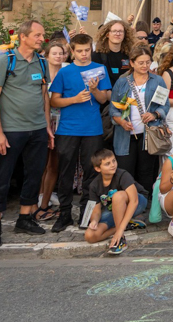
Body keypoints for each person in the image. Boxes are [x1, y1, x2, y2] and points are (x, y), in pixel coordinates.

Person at [0, 21, 52, 248]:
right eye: (37, 34)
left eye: (42, 35)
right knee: (2, 177)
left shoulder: (42, 62)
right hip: (11, 130)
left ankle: (25, 218)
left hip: (38, 129)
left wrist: (47, 127)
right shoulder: (5, 60)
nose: (42, 38)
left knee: (34, 174)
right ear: (23, 36)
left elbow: (44, 97)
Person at [48, 33, 112, 233]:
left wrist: (94, 90)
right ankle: (64, 214)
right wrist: (74, 99)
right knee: (65, 172)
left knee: (92, 174)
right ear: (72, 52)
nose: (84, 54)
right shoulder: (65, 72)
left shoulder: (100, 69)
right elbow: (54, 101)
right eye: (80, 51)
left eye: (87, 50)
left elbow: (104, 100)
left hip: (92, 128)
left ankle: (87, 214)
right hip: (67, 129)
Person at [108, 45, 168, 201]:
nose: (145, 66)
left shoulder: (158, 80)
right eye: (141, 62)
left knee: (146, 171)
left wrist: (155, 114)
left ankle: (144, 203)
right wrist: (121, 121)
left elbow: (164, 105)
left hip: (149, 134)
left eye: (148, 62)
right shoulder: (122, 82)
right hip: (125, 134)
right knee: (125, 171)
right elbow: (113, 108)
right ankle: (127, 201)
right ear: (132, 63)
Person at [81, 148, 145, 255]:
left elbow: (134, 201)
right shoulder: (94, 185)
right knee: (89, 236)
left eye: (114, 161)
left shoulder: (122, 175)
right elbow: (96, 211)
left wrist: (120, 231)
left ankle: (121, 239)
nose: (112, 165)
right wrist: (94, 221)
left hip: (137, 203)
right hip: (113, 210)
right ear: (98, 168)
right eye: (107, 164)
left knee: (118, 196)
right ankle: (125, 225)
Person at [34, 40, 68, 222]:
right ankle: (38, 197)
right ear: (46, 56)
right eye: (54, 53)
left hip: (62, 121)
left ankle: (46, 197)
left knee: (53, 164)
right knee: (39, 163)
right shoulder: (40, 74)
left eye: (61, 53)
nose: (58, 56)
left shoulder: (66, 73)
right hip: (41, 121)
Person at [94, 20, 135, 89]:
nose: (117, 34)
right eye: (114, 31)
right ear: (107, 34)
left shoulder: (130, 55)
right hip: (105, 96)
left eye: (120, 31)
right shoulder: (97, 56)